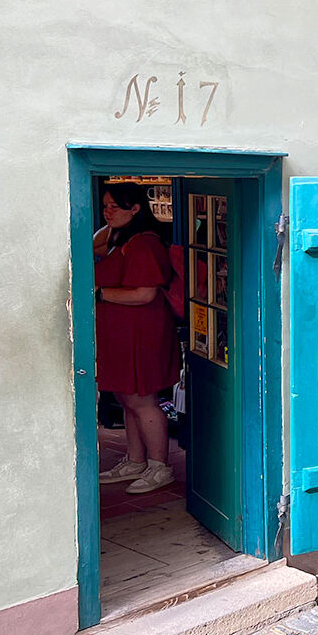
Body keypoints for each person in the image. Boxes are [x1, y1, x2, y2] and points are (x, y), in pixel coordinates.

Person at [95, 183, 182, 494]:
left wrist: (98, 294)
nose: (108, 212)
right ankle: (136, 460)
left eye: (115, 206)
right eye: (105, 206)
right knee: (127, 398)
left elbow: (145, 294)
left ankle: (160, 465)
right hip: (122, 333)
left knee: (142, 400)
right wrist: (113, 222)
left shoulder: (144, 243)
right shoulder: (122, 238)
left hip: (140, 333)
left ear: (135, 209)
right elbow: (91, 244)